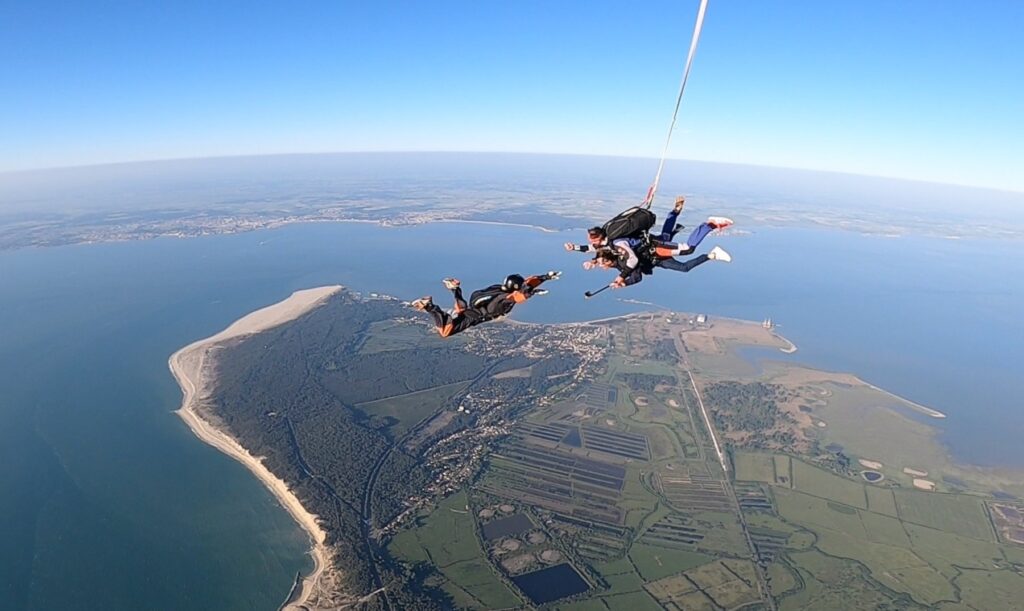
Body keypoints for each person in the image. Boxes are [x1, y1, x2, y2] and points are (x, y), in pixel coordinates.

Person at [567, 196, 733, 287]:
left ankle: (709, 224)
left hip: (655, 249)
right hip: (654, 249)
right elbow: (594, 248)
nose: (603, 267)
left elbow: (633, 260)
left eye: (603, 264)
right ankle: (675, 213)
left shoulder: (617, 245)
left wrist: (622, 277)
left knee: (688, 249)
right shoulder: (609, 240)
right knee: (668, 236)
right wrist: (577, 250)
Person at [410, 272, 560, 337]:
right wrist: (533, 292)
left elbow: (526, 283)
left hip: (474, 305)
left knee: (461, 309)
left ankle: (455, 288)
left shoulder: (498, 288)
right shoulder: (504, 299)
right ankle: (430, 306)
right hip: (475, 316)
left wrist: (545, 277)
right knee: (445, 332)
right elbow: (519, 295)